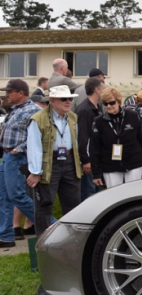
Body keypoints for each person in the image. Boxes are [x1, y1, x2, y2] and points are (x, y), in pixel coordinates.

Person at [25, 85, 82, 236]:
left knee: (73, 205)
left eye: (70, 98)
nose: (68, 102)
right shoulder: (38, 119)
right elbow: (34, 147)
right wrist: (36, 171)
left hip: (70, 161)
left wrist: (80, 163)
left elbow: (77, 143)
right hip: (49, 164)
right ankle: (43, 243)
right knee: (44, 205)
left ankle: (72, 241)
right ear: (52, 101)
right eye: (64, 99)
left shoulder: (72, 117)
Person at [0, 80, 39, 247]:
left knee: (17, 196)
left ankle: (52, 225)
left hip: (17, 157)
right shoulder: (15, 110)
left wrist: (18, 150)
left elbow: (37, 137)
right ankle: (6, 236)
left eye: (10, 92)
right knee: (4, 198)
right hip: (6, 156)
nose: (7, 95)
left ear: (20, 93)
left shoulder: (33, 110)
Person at [90, 88, 142, 188]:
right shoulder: (99, 122)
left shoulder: (133, 116)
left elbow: (141, 140)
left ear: (118, 101)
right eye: (105, 103)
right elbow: (94, 148)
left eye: (112, 103)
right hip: (110, 165)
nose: (109, 106)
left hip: (133, 162)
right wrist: (96, 173)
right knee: (114, 196)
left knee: (133, 194)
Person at [76, 77, 104, 201]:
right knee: (89, 194)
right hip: (90, 160)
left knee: (97, 193)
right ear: (97, 90)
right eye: (103, 88)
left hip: (97, 159)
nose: (105, 91)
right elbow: (82, 137)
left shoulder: (97, 108)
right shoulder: (85, 110)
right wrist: (85, 160)